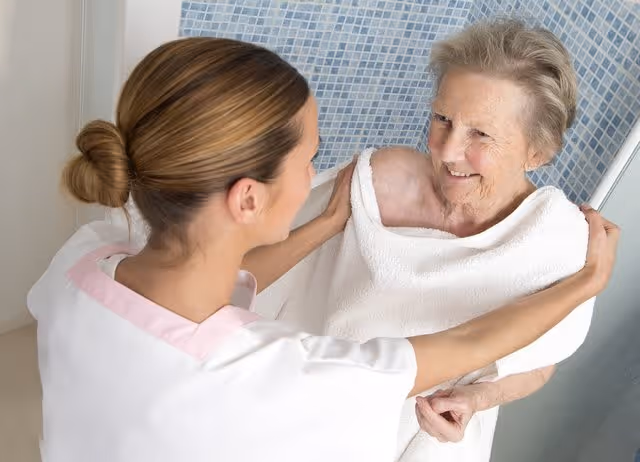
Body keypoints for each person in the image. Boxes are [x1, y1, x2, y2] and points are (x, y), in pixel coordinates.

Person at [27, 36, 618, 462]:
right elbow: (462, 344)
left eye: (480, 134)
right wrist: (587, 284)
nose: (445, 150)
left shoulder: (80, 261)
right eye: (310, 158)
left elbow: (197, 289)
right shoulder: (287, 378)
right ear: (249, 199)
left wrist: (320, 226)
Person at [252, 19, 613, 462]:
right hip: (311, 409)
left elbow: (538, 361)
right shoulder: (378, 182)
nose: (445, 150)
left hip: (422, 440)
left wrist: (474, 400)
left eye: (479, 134)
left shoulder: (555, 244)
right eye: (442, 118)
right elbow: (254, 260)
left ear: (537, 151)